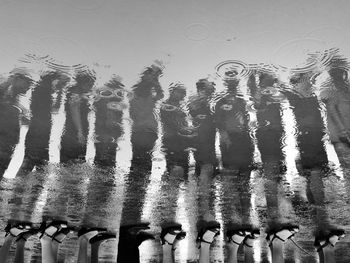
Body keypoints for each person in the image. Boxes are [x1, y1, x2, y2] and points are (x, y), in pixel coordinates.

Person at [0, 72, 32, 177]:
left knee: (2, 169)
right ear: (17, 80)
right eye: (26, 84)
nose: (28, 88)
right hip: (4, 141)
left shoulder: (13, 98)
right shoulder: (5, 92)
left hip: (10, 142)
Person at [60, 71, 95, 163]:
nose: (91, 87)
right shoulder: (75, 92)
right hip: (74, 134)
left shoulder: (78, 93)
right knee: (75, 163)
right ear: (83, 83)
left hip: (75, 134)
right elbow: (74, 111)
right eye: (89, 84)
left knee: (75, 163)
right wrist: (79, 132)